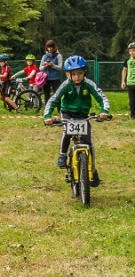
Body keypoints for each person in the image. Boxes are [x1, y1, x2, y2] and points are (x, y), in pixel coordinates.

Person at [43, 56, 110, 185]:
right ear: (68, 74)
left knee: (88, 143)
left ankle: (92, 169)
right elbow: (54, 99)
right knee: (67, 133)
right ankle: (62, 154)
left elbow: (101, 97)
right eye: (73, 74)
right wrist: (47, 116)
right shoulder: (66, 85)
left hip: (83, 115)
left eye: (80, 73)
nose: (77, 77)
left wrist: (104, 111)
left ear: (85, 72)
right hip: (68, 113)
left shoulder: (89, 84)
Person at [40, 40, 64, 112]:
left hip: (56, 78)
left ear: (54, 47)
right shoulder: (44, 56)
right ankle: (47, 111)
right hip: (46, 78)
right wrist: (45, 66)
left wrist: (52, 65)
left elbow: (60, 67)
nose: (50, 49)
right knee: (46, 95)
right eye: (48, 47)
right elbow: (40, 68)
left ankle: (59, 110)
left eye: (51, 47)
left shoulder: (58, 56)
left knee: (57, 95)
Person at [123, 43, 135, 119]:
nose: (132, 52)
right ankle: (133, 115)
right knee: (132, 101)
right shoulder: (127, 60)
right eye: (130, 51)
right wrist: (123, 81)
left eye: (133, 50)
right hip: (130, 83)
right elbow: (124, 70)